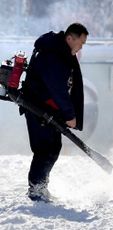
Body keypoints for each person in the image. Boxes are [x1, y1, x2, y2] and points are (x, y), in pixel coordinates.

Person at [21, 23, 88, 202]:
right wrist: (69, 115)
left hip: (47, 109)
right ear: (69, 38)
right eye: (80, 43)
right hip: (38, 109)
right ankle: (36, 190)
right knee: (45, 150)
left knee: (52, 148)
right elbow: (57, 88)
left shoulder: (59, 52)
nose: (81, 47)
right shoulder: (53, 54)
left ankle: (40, 186)